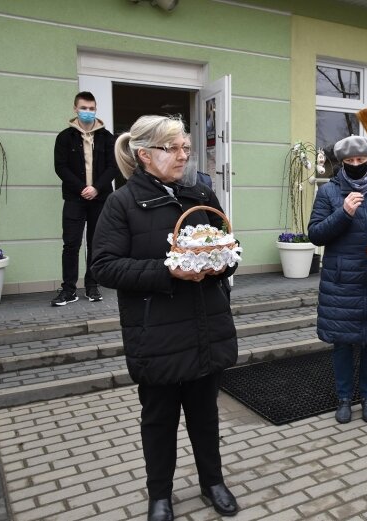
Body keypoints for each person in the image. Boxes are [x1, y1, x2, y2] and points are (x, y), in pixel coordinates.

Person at [91, 115, 239, 521]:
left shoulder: (200, 192)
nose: (182, 156)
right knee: (158, 421)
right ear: (144, 155)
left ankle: (213, 483)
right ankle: (160, 495)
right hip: (155, 333)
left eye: (185, 148)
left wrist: (221, 264)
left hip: (205, 325)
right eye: (172, 148)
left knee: (205, 415)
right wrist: (166, 271)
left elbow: (228, 244)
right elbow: (103, 266)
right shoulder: (121, 202)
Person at [308, 135, 367, 425]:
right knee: (342, 343)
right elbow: (315, 233)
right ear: (341, 163)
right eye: (349, 162)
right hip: (342, 281)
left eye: (360, 161)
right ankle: (343, 399)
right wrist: (345, 212)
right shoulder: (329, 192)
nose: (355, 165)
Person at [52, 91, 118, 305]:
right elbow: (60, 167)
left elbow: (113, 166)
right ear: (75, 109)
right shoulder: (64, 137)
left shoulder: (108, 138)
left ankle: (92, 286)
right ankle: (69, 290)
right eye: (84, 108)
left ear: (95, 109)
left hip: (99, 199)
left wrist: (96, 189)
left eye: (91, 108)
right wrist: (82, 188)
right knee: (71, 244)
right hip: (75, 198)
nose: (88, 112)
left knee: (95, 243)